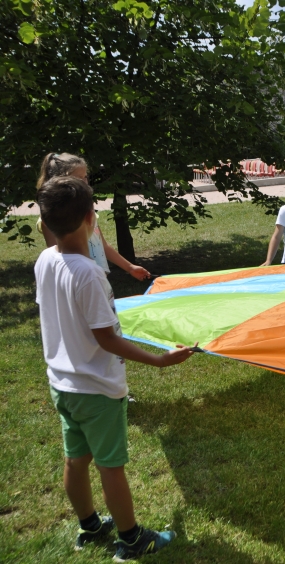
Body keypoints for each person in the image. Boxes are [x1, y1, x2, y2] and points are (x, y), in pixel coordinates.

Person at [35, 175, 196, 560]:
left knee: (76, 459)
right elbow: (106, 338)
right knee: (111, 467)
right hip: (96, 389)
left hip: (63, 385)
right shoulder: (88, 274)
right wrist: (159, 360)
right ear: (92, 218)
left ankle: (89, 525)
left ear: (45, 223)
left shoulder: (44, 260)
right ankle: (131, 538)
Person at [36, 152, 151, 281]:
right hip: (79, 279)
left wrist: (130, 267)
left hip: (97, 277)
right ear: (60, 181)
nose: (85, 181)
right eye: (79, 177)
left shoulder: (87, 211)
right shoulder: (54, 217)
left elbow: (103, 245)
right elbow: (57, 256)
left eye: (85, 177)